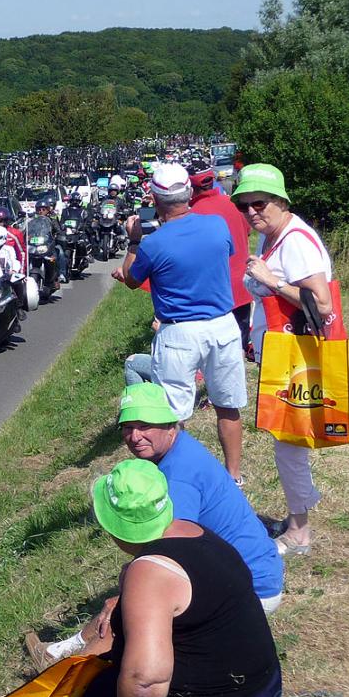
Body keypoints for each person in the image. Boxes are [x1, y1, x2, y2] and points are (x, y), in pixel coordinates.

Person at [0, 460, 281, 697]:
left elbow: (146, 681)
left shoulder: (149, 573)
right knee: (96, 683)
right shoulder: (193, 532)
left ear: (112, 526)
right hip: (259, 684)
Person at [112, 162, 247, 484]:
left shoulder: (154, 244)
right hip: (223, 324)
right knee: (228, 405)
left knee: (171, 414)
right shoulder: (216, 225)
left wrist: (133, 241)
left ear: (155, 200)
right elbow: (223, 253)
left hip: (178, 331)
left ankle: (179, 479)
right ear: (189, 194)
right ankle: (234, 476)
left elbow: (132, 279)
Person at [234, 164, 334, 556]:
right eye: (245, 206)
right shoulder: (272, 238)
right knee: (286, 440)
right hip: (281, 354)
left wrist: (271, 281)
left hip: (299, 356)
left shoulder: (295, 241)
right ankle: (297, 515)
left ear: (281, 201)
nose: (252, 213)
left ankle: (300, 533)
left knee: (289, 443)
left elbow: (321, 302)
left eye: (259, 203)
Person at [189, 165, 252, 354]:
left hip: (215, 292)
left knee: (219, 352)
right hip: (242, 286)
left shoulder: (193, 214)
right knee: (239, 343)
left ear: (192, 189)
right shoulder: (233, 204)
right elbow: (247, 232)